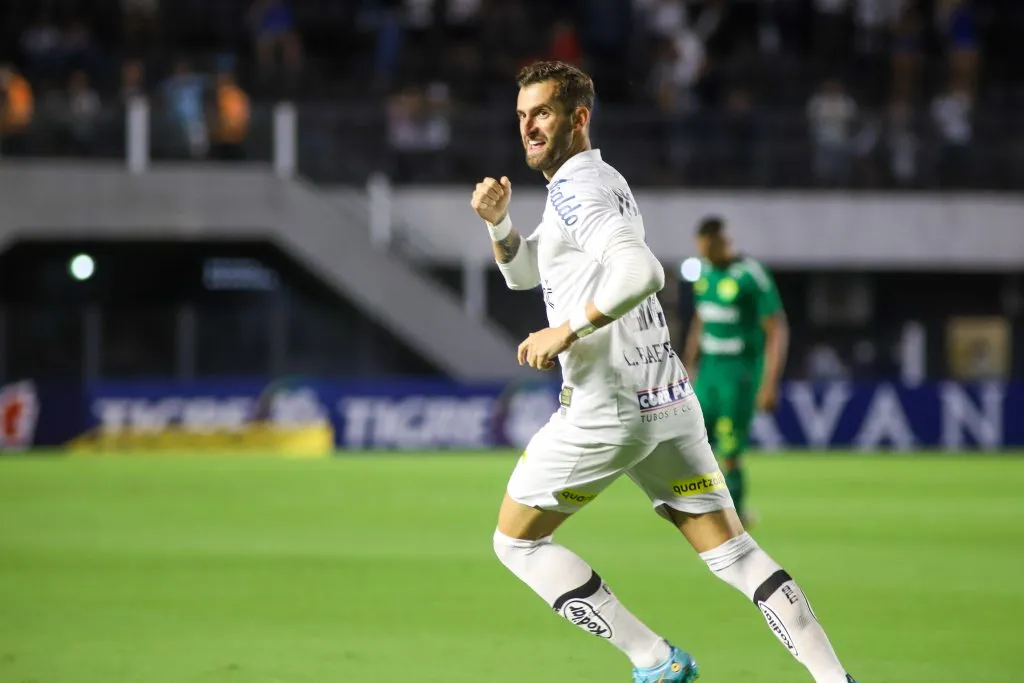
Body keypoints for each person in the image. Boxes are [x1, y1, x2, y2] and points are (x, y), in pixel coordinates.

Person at [470, 60, 859, 683]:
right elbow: (525, 272)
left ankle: (655, 659)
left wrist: (566, 330)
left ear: (579, 118)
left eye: (541, 112)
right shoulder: (594, 182)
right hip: (669, 402)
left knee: (515, 542)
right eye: (521, 116)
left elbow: (643, 272)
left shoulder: (578, 190)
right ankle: (836, 679)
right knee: (735, 553)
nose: (528, 127)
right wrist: (499, 224)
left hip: (605, 408)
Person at [682, 216, 789, 526]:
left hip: (740, 374)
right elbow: (701, 320)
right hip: (709, 373)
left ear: (720, 242)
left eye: (707, 248)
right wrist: (689, 364)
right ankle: (699, 507)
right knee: (694, 441)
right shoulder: (703, 273)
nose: (703, 254)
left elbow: (776, 329)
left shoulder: (751, 275)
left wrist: (769, 382)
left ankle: (736, 516)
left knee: (729, 449)